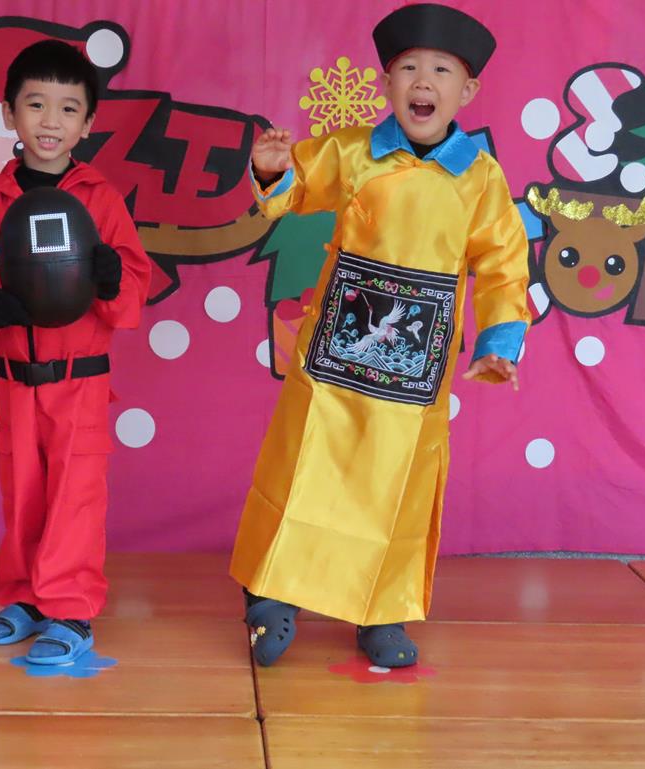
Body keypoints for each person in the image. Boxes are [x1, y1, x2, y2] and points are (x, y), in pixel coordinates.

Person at [230, 3, 530, 667]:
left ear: (467, 91)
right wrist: (274, 168)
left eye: (441, 71)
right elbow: (293, 189)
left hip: (417, 358)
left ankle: (381, 608)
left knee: (399, 479)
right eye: (408, 68)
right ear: (387, 83)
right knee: (305, 461)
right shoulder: (352, 152)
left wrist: (499, 343)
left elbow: (504, 263)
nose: (423, 81)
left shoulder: (481, 179)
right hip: (337, 346)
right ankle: (270, 593)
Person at [0, 39, 151, 664]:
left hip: (80, 382)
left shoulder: (100, 197)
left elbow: (133, 285)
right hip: (14, 380)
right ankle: (26, 598)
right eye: (35, 104)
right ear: (9, 113)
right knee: (24, 494)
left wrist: (111, 278)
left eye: (67, 108)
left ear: (88, 123)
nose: (50, 121)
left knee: (74, 497)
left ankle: (71, 610)